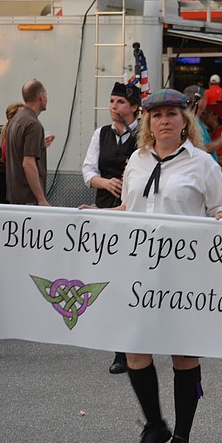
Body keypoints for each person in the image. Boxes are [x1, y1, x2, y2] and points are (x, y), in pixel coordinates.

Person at [116, 89, 222, 443]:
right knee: (136, 352)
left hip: (185, 275)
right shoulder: (136, 160)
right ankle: (154, 425)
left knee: (183, 355)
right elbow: (129, 208)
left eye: (172, 114)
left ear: (185, 121)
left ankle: (182, 437)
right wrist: (90, 216)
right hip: (139, 270)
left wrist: (221, 221)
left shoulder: (202, 163)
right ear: (148, 123)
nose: (164, 120)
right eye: (157, 115)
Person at [81, 81, 140, 374]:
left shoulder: (144, 135)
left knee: (134, 278)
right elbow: (88, 170)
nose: (114, 107)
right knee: (112, 279)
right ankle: (120, 350)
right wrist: (104, 182)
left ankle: (138, 341)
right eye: (112, 101)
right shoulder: (101, 134)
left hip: (136, 215)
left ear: (134, 107)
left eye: (120, 102)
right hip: (105, 209)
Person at [5, 80, 51, 206]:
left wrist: (41, 145)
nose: (47, 98)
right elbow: (28, 163)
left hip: (15, 197)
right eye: (46, 95)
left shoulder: (15, 120)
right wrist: (41, 199)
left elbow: (18, 153)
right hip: (29, 199)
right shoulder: (33, 125)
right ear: (41, 96)